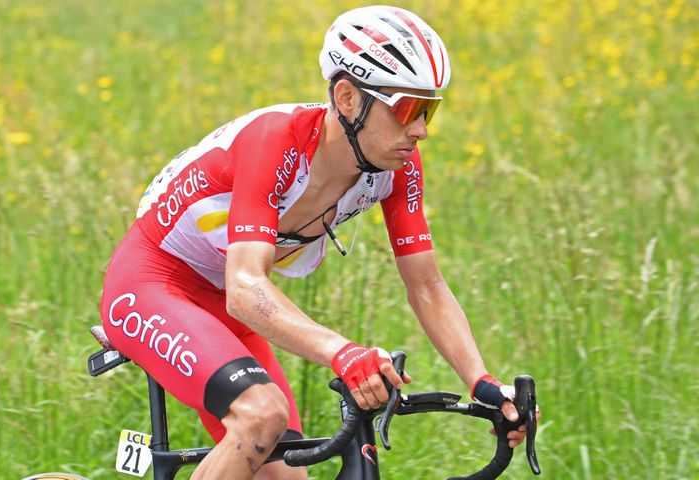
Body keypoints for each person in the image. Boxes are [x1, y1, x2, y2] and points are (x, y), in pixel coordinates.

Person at [99, 5, 537, 479]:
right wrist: (342, 351)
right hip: (154, 285)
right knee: (261, 415)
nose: (421, 130)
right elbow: (246, 286)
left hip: (228, 305)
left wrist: (482, 381)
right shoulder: (275, 141)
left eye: (430, 110)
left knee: (286, 473)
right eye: (408, 108)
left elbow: (427, 287)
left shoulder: (399, 167)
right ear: (347, 98)